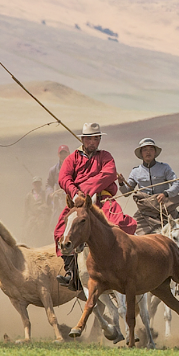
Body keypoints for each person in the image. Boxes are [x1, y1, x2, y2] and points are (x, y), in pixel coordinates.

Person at [54, 123, 138, 289]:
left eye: (96, 138)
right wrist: (75, 192)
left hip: (103, 200)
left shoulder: (105, 156)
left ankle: (127, 265)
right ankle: (72, 274)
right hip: (78, 202)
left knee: (120, 223)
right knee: (61, 231)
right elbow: (64, 178)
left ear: (99, 139)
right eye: (89, 139)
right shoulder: (72, 158)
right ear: (83, 139)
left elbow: (108, 174)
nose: (93, 142)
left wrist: (86, 189)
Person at [121, 138, 179, 235]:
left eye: (151, 149)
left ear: (155, 152)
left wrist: (166, 194)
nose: (148, 152)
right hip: (145, 211)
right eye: (145, 150)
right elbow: (126, 193)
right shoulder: (135, 172)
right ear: (141, 153)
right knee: (132, 232)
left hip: (165, 208)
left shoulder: (164, 168)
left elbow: (177, 185)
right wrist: (121, 183)